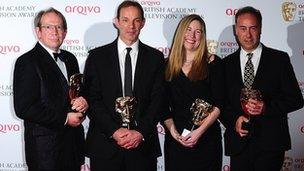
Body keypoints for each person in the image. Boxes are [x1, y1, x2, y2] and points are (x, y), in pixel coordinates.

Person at [83, 1, 165, 171]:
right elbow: (92, 99)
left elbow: (159, 100)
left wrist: (140, 132)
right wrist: (115, 131)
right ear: (117, 21)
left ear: (143, 23)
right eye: (126, 20)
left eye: (136, 20)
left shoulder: (155, 58)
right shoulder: (97, 57)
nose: (131, 26)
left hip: (143, 147)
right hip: (105, 147)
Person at [222, 6, 303, 171]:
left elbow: (295, 99)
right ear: (235, 30)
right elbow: (221, 103)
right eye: (243, 28)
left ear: (260, 29)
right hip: (239, 144)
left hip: (271, 145)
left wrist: (266, 107)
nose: (248, 34)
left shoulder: (279, 60)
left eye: (253, 28)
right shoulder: (225, 64)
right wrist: (234, 119)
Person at [13, 7, 88, 171]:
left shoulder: (70, 58)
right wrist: (65, 118)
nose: (55, 31)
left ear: (65, 32)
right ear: (38, 32)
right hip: (44, 152)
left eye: (59, 27)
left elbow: (76, 94)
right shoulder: (27, 62)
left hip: (73, 148)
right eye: (48, 27)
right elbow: (25, 108)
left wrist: (83, 103)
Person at [162, 14, 224, 171]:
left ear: (202, 36)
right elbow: (162, 107)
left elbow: (219, 103)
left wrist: (199, 132)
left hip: (206, 140)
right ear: (181, 32)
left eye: (198, 31)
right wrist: (173, 132)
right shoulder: (166, 66)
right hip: (176, 142)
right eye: (188, 30)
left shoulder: (213, 63)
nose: (192, 35)